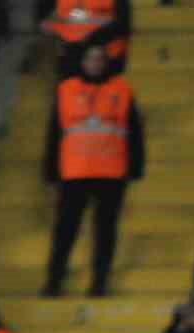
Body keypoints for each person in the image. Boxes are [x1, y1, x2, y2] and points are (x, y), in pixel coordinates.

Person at [40, 43, 144, 298]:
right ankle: (54, 280)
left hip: (111, 173)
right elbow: (55, 132)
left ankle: (99, 282)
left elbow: (135, 131)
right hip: (74, 172)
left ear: (106, 62)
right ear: (82, 62)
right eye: (90, 58)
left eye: (100, 58)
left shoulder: (122, 89)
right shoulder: (66, 90)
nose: (95, 63)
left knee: (105, 231)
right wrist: (51, 170)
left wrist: (135, 166)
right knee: (66, 230)